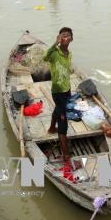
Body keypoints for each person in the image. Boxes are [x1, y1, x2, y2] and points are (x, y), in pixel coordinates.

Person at [43, 27, 73, 162]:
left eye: (68, 35)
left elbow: (66, 72)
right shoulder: (55, 52)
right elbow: (45, 57)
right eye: (63, 35)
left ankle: (50, 128)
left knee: (59, 109)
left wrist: (69, 89)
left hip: (66, 89)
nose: (65, 37)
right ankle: (66, 154)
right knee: (63, 121)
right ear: (59, 38)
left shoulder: (69, 53)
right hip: (57, 91)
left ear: (71, 39)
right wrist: (55, 43)